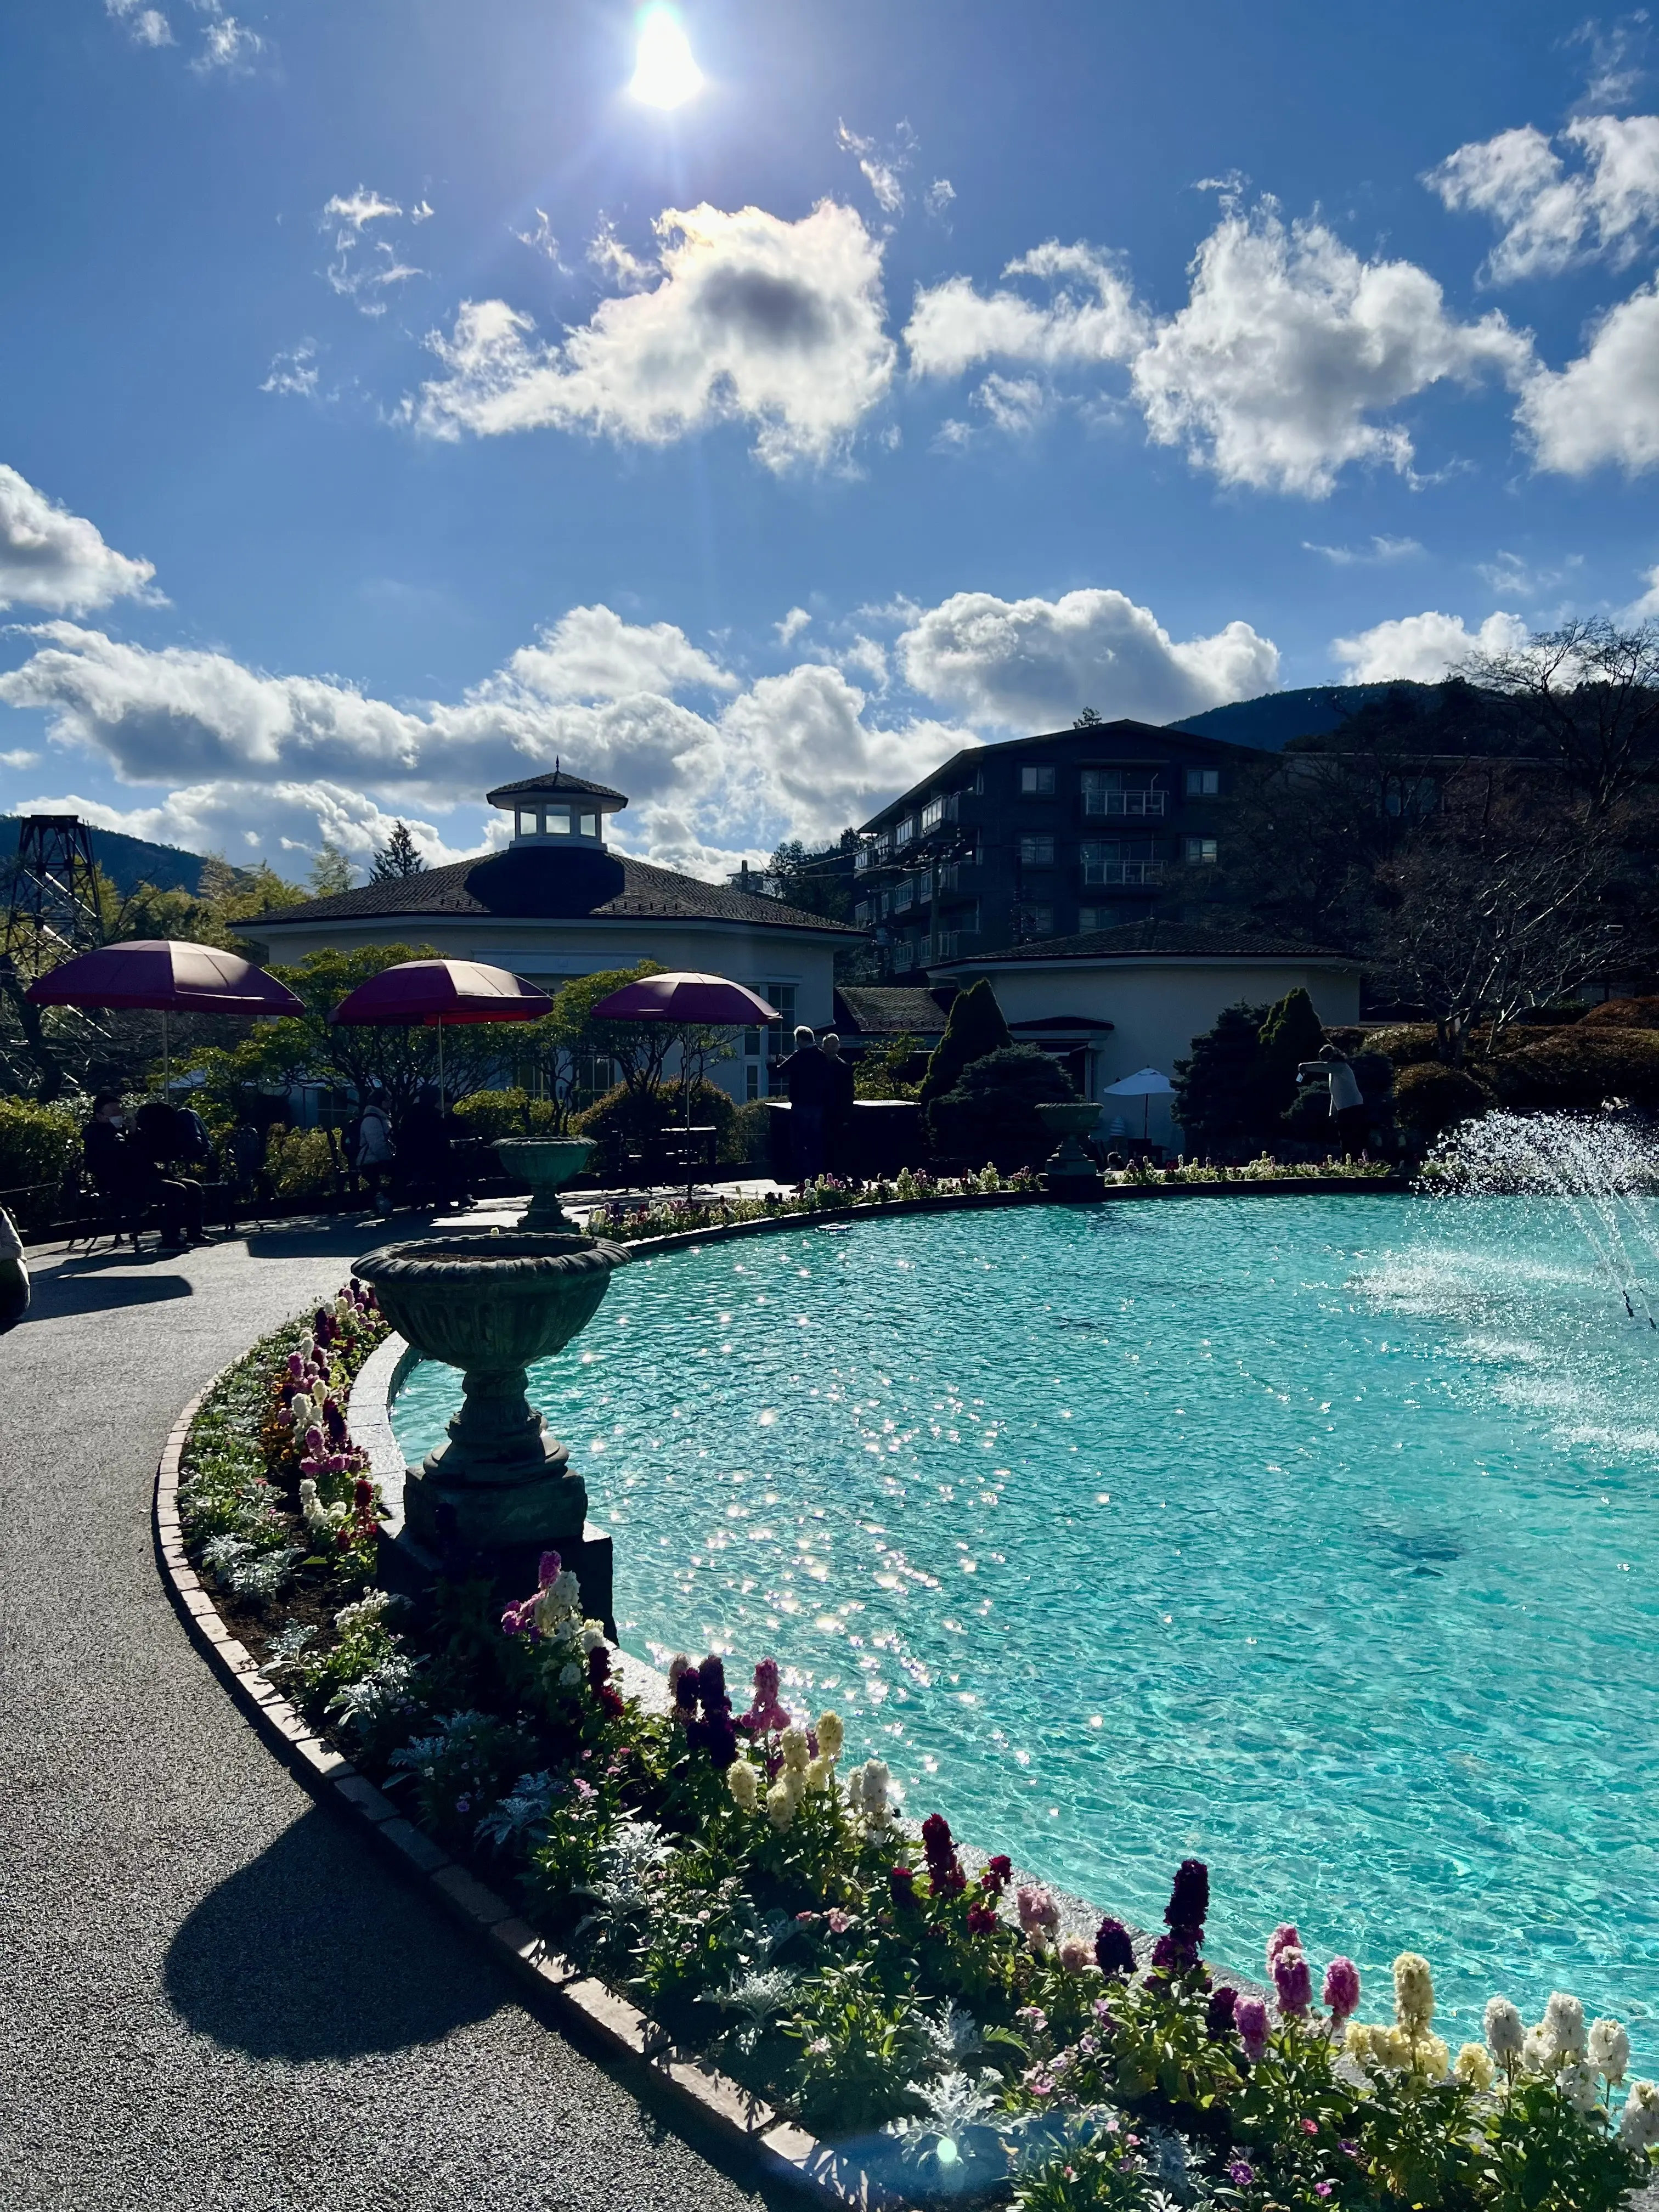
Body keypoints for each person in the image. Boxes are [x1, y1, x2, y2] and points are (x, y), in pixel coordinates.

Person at [84, 1093, 206, 1250]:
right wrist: (132, 1138)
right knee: (175, 1190)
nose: (119, 1116)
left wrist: (136, 1133)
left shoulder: (123, 1132)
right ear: (100, 1116)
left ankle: (195, 1234)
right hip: (123, 1183)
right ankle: (171, 1239)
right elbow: (125, 1156)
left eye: (120, 1112)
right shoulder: (96, 1134)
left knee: (193, 1187)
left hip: (143, 1177)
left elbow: (147, 1152)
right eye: (114, 1113)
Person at [774, 1024, 833, 1185]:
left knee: (800, 1143)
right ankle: (818, 1177)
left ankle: (803, 1179)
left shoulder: (800, 1056)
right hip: (818, 1105)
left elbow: (780, 1072)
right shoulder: (822, 1057)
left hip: (801, 1104)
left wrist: (771, 1064)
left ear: (800, 1039)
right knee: (816, 1142)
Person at [1297, 1042, 1368, 1156]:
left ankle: (1356, 1163)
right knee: (1345, 1138)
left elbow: (1324, 1067)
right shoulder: (1334, 1072)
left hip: (1353, 1107)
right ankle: (1350, 1164)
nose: (1324, 1060)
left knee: (1352, 1138)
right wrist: (1333, 1111)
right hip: (1345, 1108)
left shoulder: (1340, 1066)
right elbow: (1335, 1093)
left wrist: (1304, 1066)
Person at [820, 1032, 856, 1177]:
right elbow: (849, 1094)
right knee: (837, 1144)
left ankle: (827, 1172)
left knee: (827, 1144)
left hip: (826, 1110)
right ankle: (837, 1173)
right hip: (836, 1111)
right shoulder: (844, 1067)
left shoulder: (820, 1066)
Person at [356, 1089, 396, 1213]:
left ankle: (387, 1199)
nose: (390, 1104)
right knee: (403, 1170)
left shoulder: (381, 1117)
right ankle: (386, 1199)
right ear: (381, 1102)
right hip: (372, 1161)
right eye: (388, 1101)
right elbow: (377, 1145)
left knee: (404, 1169)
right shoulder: (372, 1120)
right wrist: (391, 1158)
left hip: (376, 1159)